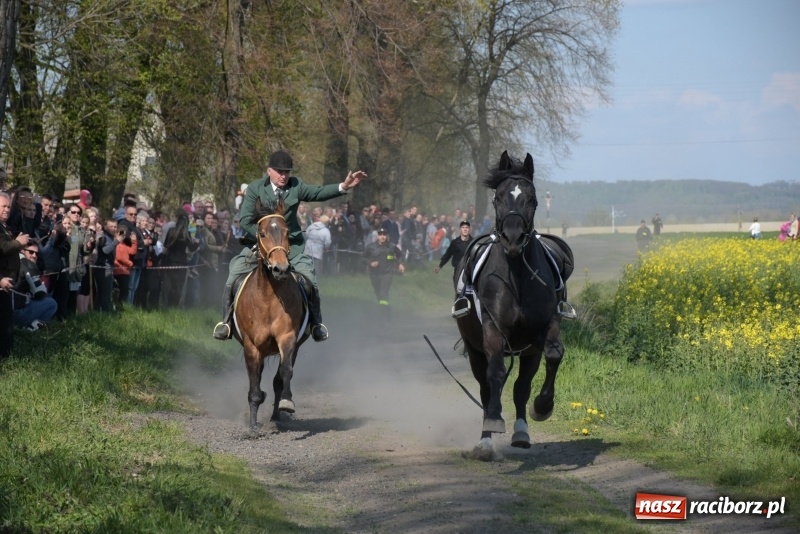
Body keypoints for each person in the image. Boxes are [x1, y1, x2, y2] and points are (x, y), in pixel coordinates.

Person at [213, 149, 366, 341]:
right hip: (259, 246)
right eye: (279, 171)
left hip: (290, 248)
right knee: (234, 273)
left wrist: (343, 186)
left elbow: (317, 192)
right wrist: (264, 239)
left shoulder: (296, 186)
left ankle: (316, 324)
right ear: (269, 171)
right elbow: (245, 221)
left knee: (310, 277)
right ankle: (226, 322)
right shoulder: (255, 188)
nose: (284, 175)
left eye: (287, 172)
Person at [1, 191, 29, 357]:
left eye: (8, 207)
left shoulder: (4, 226)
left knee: (6, 320)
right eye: (3, 206)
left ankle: (7, 355)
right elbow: (3, 248)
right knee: (4, 321)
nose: (7, 209)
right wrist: (18, 243)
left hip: (7, 280)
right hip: (1, 280)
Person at [12, 242, 57, 330]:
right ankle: (30, 328)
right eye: (31, 252)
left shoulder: (12, 261)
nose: (34, 255)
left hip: (7, 312)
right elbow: (40, 294)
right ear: (22, 251)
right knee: (51, 303)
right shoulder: (26, 263)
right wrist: (41, 288)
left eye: (37, 253)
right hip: (16, 313)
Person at [362, 228, 405, 309]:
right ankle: (382, 307)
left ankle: (384, 311)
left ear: (387, 236)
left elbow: (399, 255)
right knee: (378, 292)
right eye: (380, 235)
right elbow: (363, 258)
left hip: (387, 273)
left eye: (384, 235)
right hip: (374, 274)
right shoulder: (371, 247)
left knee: (384, 292)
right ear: (377, 236)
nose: (382, 237)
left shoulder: (391, 246)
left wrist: (400, 264)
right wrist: (370, 263)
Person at [434, 220, 473, 284]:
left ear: (470, 229)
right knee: (458, 291)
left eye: (467, 227)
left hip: (470, 272)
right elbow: (448, 254)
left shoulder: (474, 243)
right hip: (458, 270)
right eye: (463, 227)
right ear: (460, 229)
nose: (465, 229)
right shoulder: (455, 243)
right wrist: (440, 265)